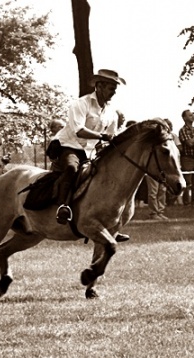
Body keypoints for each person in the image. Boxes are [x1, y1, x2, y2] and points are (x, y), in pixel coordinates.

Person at [54, 69, 130, 242]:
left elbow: (111, 137)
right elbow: (78, 131)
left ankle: (110, 226)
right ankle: (63, 207)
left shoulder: (112, 112)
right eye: (111, 87)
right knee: (72, 168)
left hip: (93, 151)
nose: (114, 92)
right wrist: (102, 137)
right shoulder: (81, 104)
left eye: (115, 88)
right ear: (99, 86)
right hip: (70, 146)